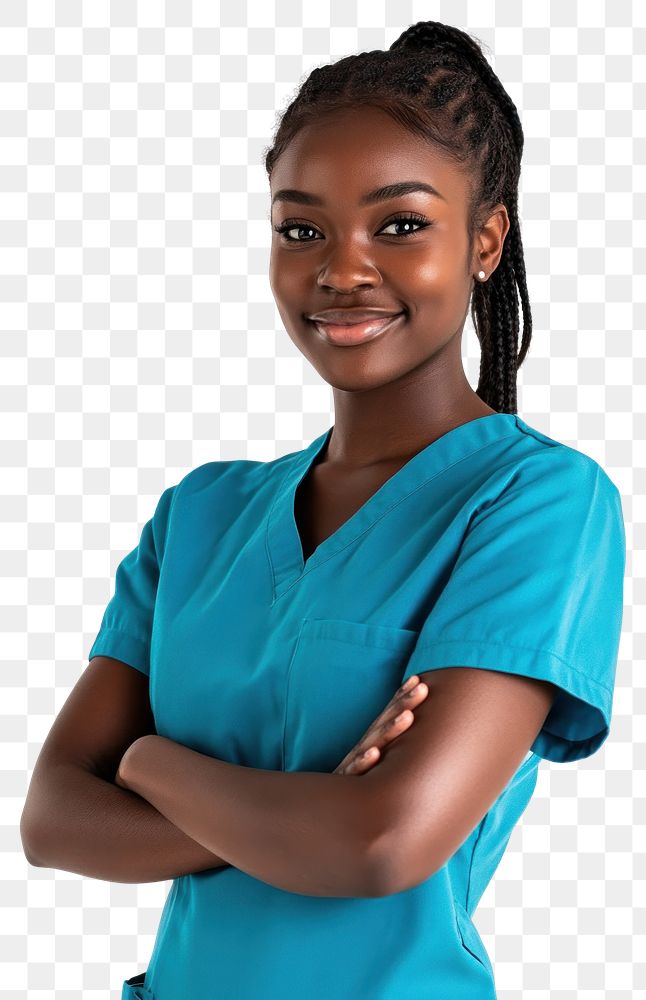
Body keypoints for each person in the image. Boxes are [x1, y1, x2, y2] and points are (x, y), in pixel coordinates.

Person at [20, 19, 625, 1000]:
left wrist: (147, 762)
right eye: (302, 228)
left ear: (485, 239)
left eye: (399, 225)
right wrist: (300, 816)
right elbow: (51, 820)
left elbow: (381, 842)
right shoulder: (201, 512)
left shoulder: (537, 504)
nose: (341, 268)